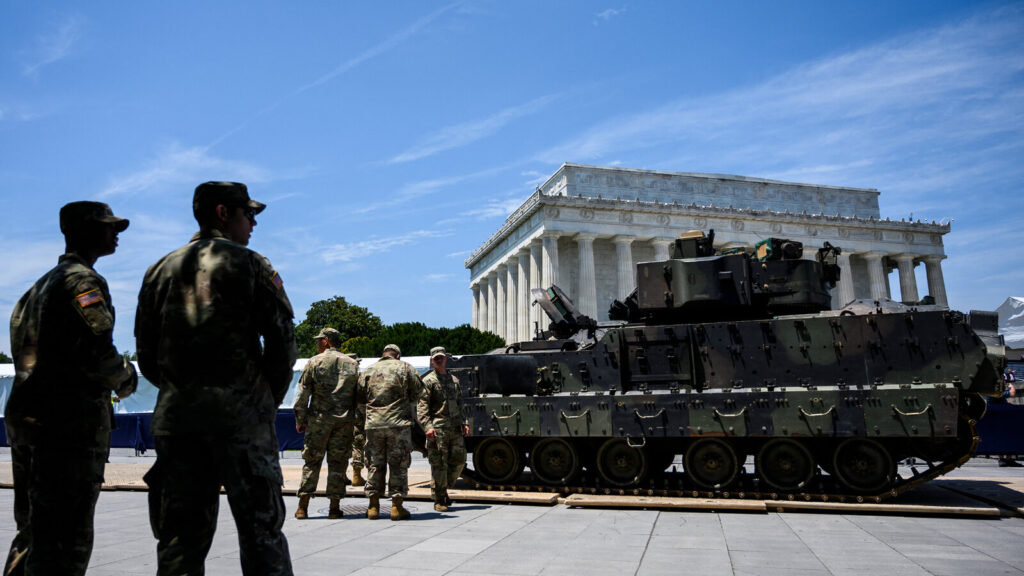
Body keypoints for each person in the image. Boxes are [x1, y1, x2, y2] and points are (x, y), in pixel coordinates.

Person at [135, 181, 297, 575]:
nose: (254, 224)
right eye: (249, 214)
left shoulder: (159, 270)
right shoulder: (252, 264)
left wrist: (183, 390)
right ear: (224, 213)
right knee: (262, 536)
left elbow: (146, 355)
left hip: (179, 423)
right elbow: (281, 345)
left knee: (179, 543)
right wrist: (261, 400)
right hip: (241, 422)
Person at [5, 201, 138, 575]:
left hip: (30, 420)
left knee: (32, 533)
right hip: (67, 427)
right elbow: (99, 349)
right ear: (85, 230)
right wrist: (126, 379)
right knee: (65, 541)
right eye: (109, 226)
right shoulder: (83, 282)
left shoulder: (36, 287)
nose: (116, 233)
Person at [293, 327, 360, 519]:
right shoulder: (352, 363)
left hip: (319, 421)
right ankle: (334, 507)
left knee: (312, 462)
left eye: (319, 340)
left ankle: (302, 506)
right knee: (338, 463)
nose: (317, 343)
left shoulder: (314, 362)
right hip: (343, 421)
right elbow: (359, 395)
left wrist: (300, 419)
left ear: (327, 341)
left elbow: (302, 395)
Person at [356, 344, 421, 520]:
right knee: (398, 464)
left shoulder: (369, 370)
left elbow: (360, 398)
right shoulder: (406, 368)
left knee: (375, 464)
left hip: (374, 425)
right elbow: (417, 394)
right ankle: (396, 507)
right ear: (397, 356)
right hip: (398, 425)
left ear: (384, 355)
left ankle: (373, 507)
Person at [417, 346, 469, 512]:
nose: (439, 360)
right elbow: (422, 408)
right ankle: (439, 499)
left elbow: (461, 404)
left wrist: (465, 422)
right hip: (437, 429)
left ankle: (443, 489)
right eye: (436, 358)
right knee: (439, 465)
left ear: (446, 358)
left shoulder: (454, 380)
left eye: (441, 357)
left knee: (459, 461)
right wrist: (427, 427)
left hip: (454, 428)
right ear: (432, 360)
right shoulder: (428, 381)